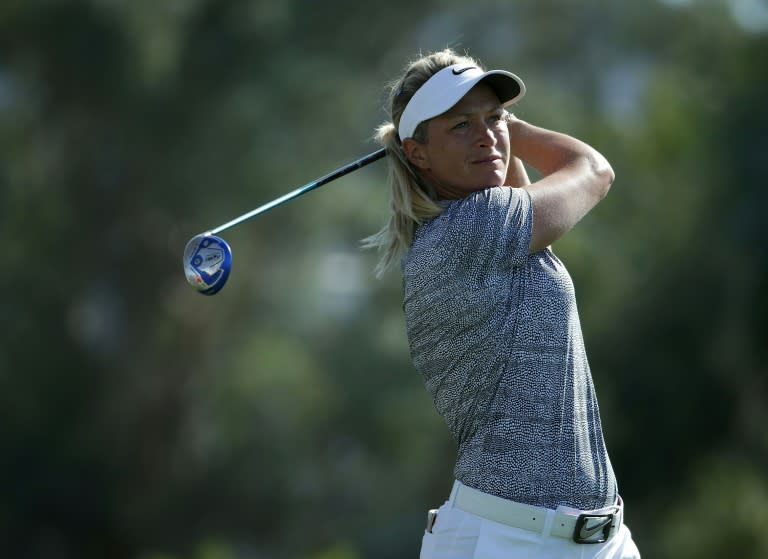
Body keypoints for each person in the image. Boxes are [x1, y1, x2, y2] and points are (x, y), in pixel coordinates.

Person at [364, 48, 641, 558]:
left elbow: (523, 179)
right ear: (417, 153)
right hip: (511, 541)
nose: (487, 135)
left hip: (593, 539)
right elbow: (593, 170)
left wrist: (493, 130)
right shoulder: (473, 229)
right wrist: (515, 127)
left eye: (494, 118)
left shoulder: (487, 225)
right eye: (460, 126)